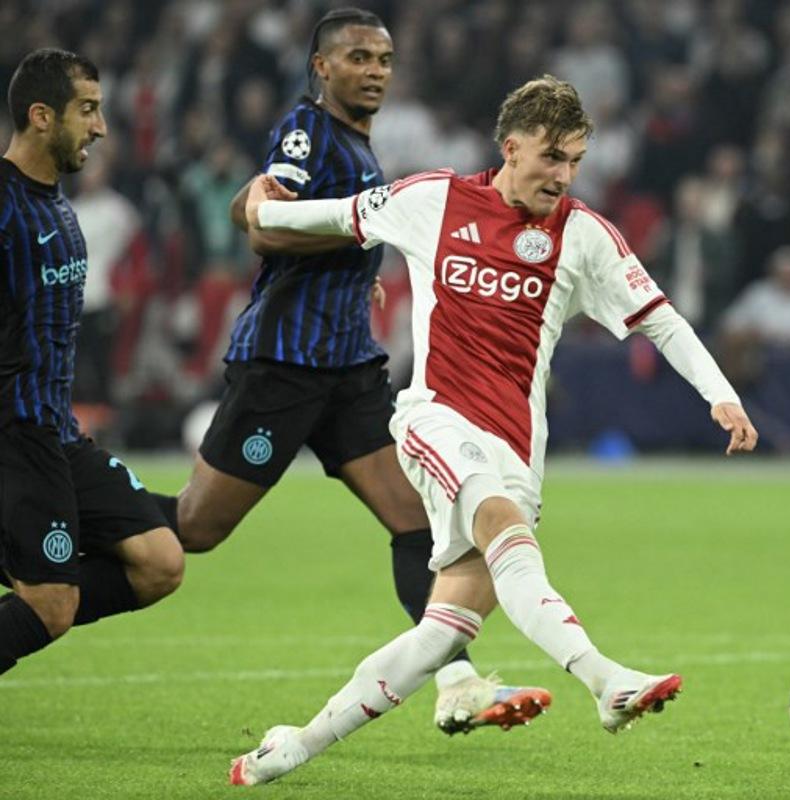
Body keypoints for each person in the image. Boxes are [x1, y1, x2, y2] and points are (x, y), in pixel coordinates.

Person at [227, 75, 759, 786]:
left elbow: (659, 319)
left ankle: (294, 745)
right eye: (552, 158)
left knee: (440, 634)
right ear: (512, 147)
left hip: (517, 447)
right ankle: (604, 680)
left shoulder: (583, 234)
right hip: (435, 419)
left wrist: (721, 395)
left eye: (575, 161)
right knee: (503, 524)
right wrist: (260, 207)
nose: (563, 176)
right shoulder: (433, 200)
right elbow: (332, 217)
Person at [146, 9, 545, 735]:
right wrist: (350, 240)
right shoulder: (308, 131)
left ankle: (456, 683)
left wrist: (353, 266)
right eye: (359, 58)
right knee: (196, 528)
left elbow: (255, 207)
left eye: (384, 60)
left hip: (348, 370)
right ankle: (58, 516)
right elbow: (266, 227)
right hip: (285, 367)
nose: (375, 72)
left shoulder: (355, 144)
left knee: (419, 522)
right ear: (322, 67)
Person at [0, 49, 183, 675]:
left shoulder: (56, 204)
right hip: (14, 435)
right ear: (41, 116)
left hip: (56, 431)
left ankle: (36, 586)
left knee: (160, 562)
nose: (101, 127)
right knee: (52, 607)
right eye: (88, 110)